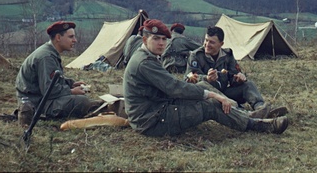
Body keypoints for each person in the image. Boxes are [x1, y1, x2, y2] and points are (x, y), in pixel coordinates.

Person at [123, 19, 289, 136]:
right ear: (145, 39)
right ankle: (257, 125)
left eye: (164, 39)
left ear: (221, 45)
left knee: (217, 93)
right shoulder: (144, 62)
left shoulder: (148, 56)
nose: (161, 43)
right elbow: (176, 86)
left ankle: (253, 112)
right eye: (156, 39)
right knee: (209, 106)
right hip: (152, 120)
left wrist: (237, 78)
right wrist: (210, 93)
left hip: (156, 110)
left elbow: (171, 87)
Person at [184, 26, 285, 119]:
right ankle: (244, 113)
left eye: (212, 42)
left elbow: (233, 75)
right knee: (203, 84)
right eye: (206, 40)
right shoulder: (196, 55)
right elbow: (189, 79)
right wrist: (206, 78)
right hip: (208, 96)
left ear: (221, 44)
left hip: (225, 92)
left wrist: (239, 78)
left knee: (248, 84)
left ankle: (261, 108)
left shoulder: (227, 55)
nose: (207, 44)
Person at [15, 21, 99, 126]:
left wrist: (71, 83)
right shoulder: (46, 57)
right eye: (71, 37)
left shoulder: (50, 52)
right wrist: (71, 91)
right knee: (82, 101)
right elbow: (49, 90)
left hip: (39, 98)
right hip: (37, 103)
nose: (75, 40)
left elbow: (54, 78)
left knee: (85, 102)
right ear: (58, 37)